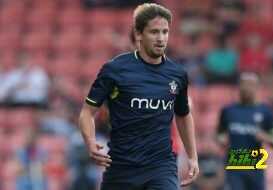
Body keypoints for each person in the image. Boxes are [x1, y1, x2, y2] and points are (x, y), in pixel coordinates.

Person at [78, 3, 199, 190]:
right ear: (139, 34)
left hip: (161, 166)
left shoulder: (177, 74)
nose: (161, 38)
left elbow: (183, 115)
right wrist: (91, 142)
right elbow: (87, 112)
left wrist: (192, 156)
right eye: (154, 32)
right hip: (121, 167)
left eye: (165, 32)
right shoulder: (114, 70)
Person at [217, 72, 273, 190]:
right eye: (243, 84)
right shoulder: (228, 110)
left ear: (257, 87)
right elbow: (219, 133)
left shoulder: (266, 111)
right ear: (239, 87)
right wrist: (221, 139)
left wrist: (265, 137)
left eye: (250, 85)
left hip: (256, 162)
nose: (246, 88)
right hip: (235, 161)